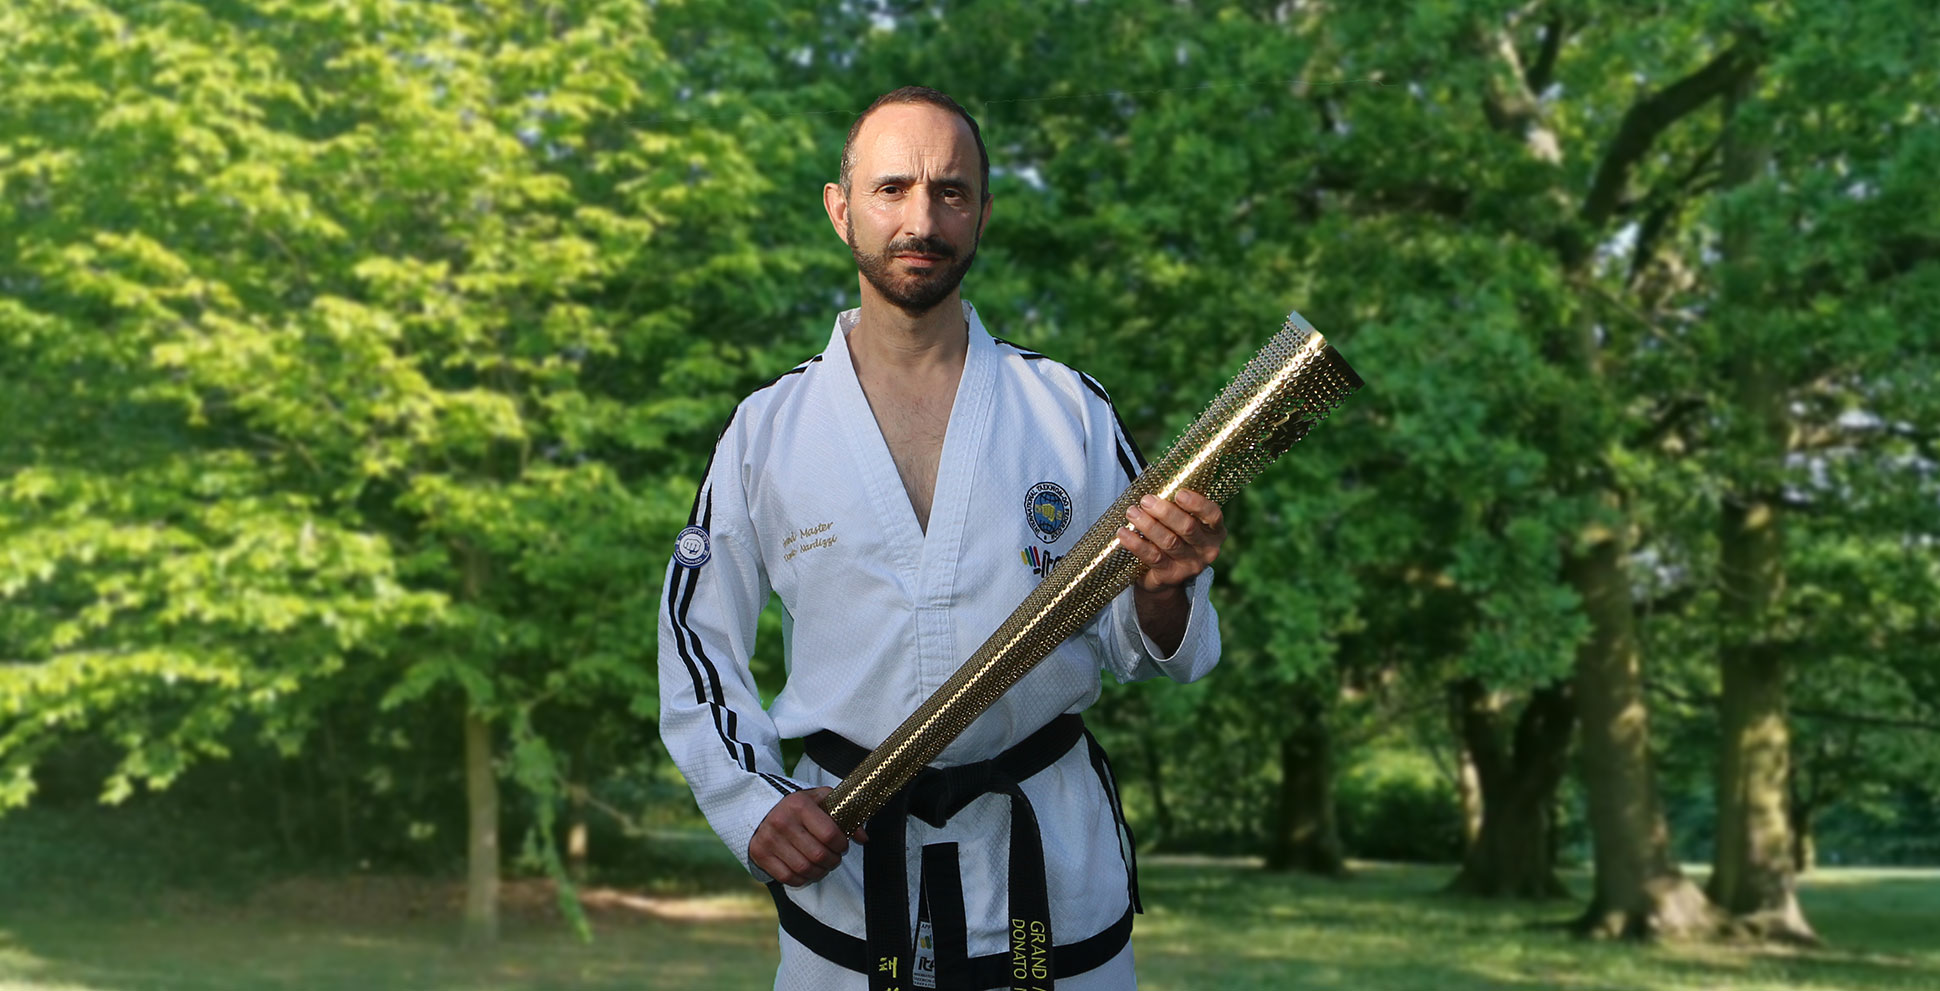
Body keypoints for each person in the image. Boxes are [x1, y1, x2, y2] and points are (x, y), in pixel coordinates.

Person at [658, 85, 1224, 990]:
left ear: (983, 214)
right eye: (891, 189)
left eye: (950, 192)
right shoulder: (768, 430)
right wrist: (750, 800)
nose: (921, 217)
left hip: (1051, 870)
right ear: (842, 210)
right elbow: (696, 640)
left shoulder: (1067, 409)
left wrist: (1163, 590)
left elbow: (1138, 642)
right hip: (848, 866)